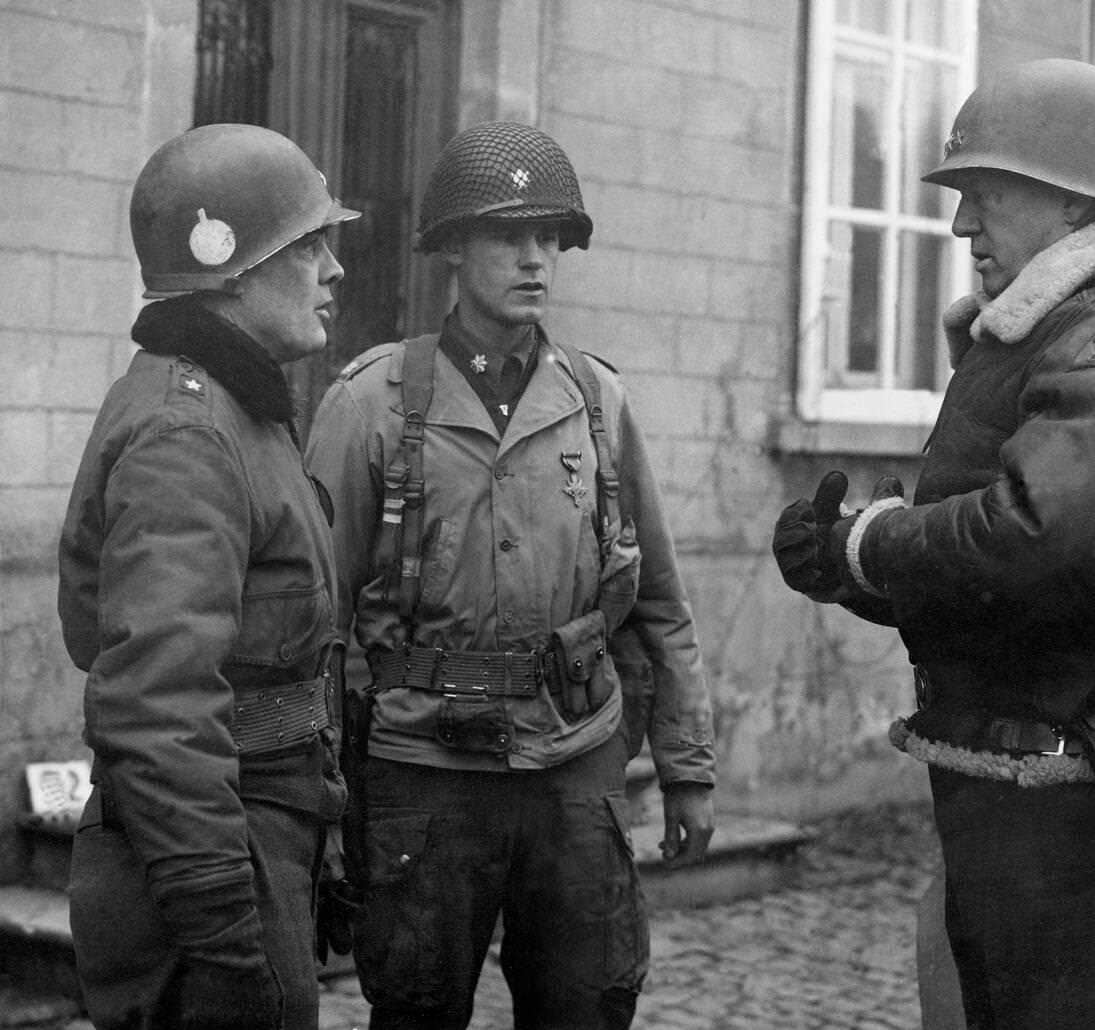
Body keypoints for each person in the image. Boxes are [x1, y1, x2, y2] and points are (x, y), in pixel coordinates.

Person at [772, 59, 1095, 1030]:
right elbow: (1004, 565)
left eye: (983, 196)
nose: (960, 228)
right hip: (1044, 817)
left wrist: (878, 545)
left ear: (1071, 200)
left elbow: (1047, 542)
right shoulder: (1055, 330)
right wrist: (847, 559)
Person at [305, 119, 716, 1030]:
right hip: (423, 772)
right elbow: (314, 625)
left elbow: (659, 603)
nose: (535, 259)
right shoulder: (371, 403)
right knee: (415, 1009)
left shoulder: (597, 399)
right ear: (453, 249)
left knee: (589, 1005)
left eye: (549, 238)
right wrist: (320, 809)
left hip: (575, 767)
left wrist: (686, 769)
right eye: (506, 235)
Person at [57, 123, 359, 1030]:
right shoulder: (188, 435)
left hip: (255, 833)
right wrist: (222, 926)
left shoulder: (240, 413)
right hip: (206, 867)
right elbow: (156, 702)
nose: (333, 269)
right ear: (231, 264)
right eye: (308, 244)